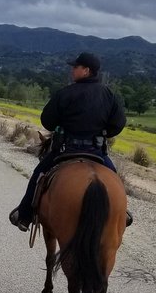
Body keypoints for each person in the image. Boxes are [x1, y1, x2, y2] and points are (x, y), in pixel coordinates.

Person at [9, 52, 128, 232]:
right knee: (114, 178)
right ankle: (122, 212)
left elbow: (47, 121)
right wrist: (103, 132)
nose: (72, 70)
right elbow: (118, 124)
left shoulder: (65, 93)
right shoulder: (109, 95)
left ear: (86, 70)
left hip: (65, 149)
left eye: (76, 67)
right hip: (96, 151)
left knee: (38, 174)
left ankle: (25, 214)